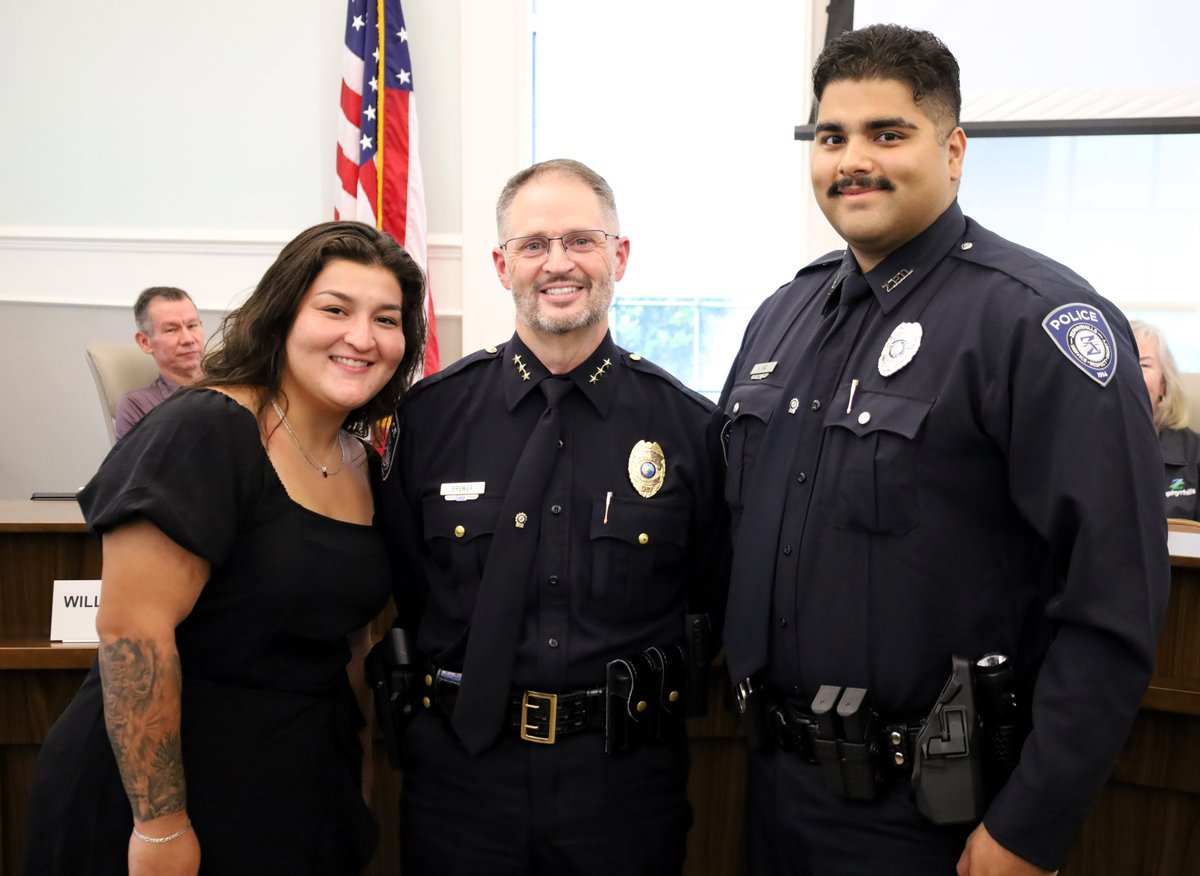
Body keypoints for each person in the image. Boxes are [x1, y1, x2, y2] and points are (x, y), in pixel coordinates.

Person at [719, 24, 1170, 876]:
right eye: (831, 136)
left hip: (934, 815)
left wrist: (1029, 830)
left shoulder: (1037, 321)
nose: (853, 159)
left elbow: (1113, 604)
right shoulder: (783, 315)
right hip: (775, 791)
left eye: (888, 134)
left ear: (954, 150)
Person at [24, 221, 427, 876]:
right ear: (282, 316)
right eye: (335, 309)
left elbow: (349, 645)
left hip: (294, 788)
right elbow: (133, 633)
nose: (362, 336)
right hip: (165, 796)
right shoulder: (205, 430)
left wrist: (353, 785)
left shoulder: (368, 462)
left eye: (387, 318)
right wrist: (160, 828)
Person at [376, 158, 730, 875]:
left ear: (619, 257)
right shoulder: (430, 418)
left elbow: (709, 597)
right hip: (461, 780)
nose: (557, 263)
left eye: (582, 241)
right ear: (502, 264)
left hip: (624, 785)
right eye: (534, 244)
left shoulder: (689, 429)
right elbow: (410, 590)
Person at [114, 286, 206, 440]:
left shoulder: (233, 388)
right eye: (171, 330)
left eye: (192, 326)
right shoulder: (138, 406)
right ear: (145, 342)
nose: (188, 339)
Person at [1131, 320, 1200, 520]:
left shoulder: (1195, 454)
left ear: (1163, 384)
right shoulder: (1082, 449)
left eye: (1144, 364)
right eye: (1124, 361)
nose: (1132, 371)